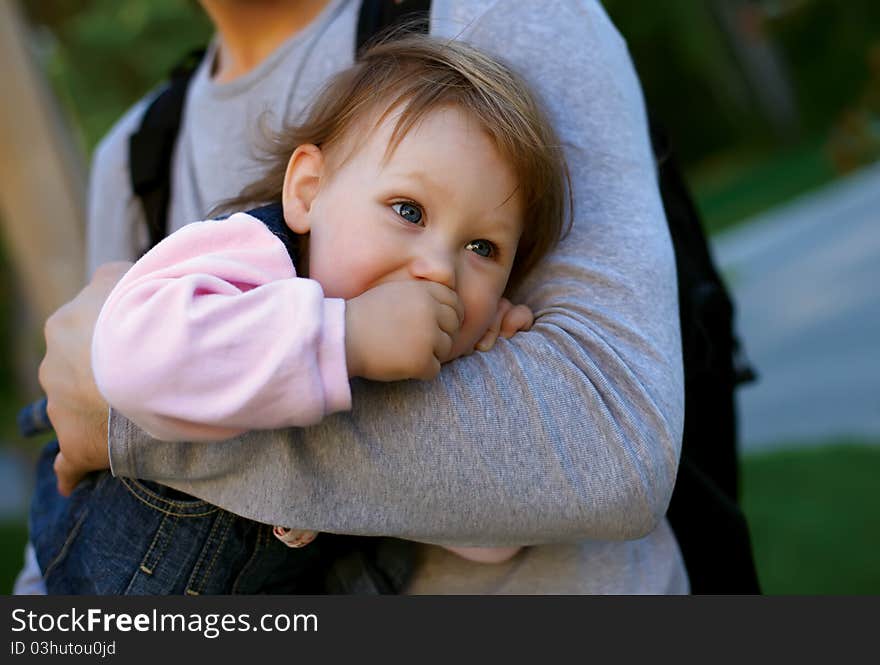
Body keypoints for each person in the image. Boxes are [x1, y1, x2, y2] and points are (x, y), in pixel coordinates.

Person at [22, 0, 687, 594]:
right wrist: (346, 338)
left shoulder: (499, 14)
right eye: (406, 209)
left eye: (484, 250)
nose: (439, 270)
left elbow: (539, 502)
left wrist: (482, 353)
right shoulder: (207, 217)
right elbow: (126, 368)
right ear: (305, 190)